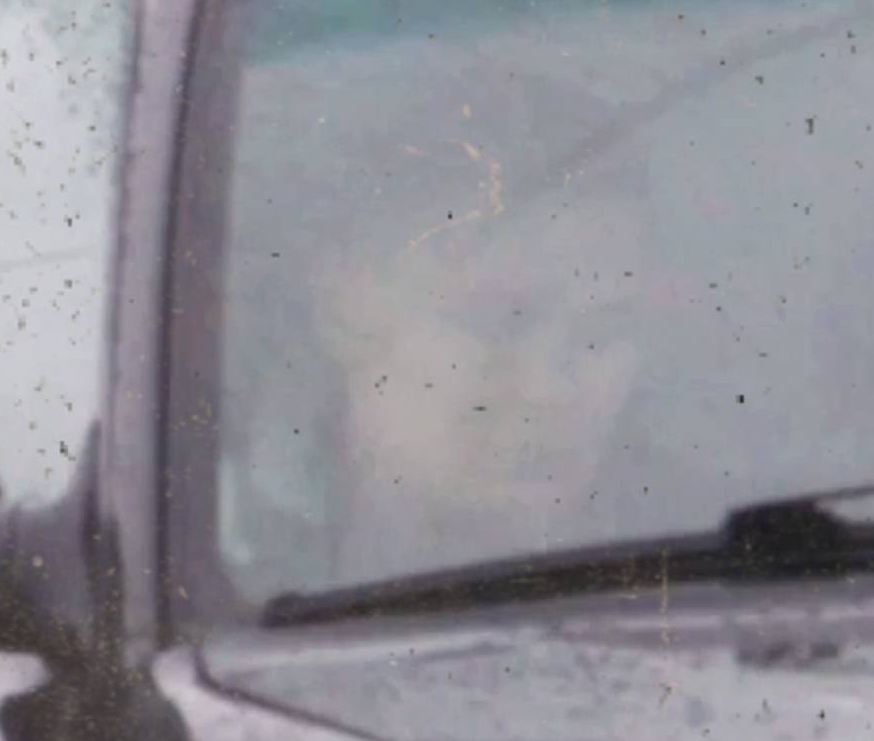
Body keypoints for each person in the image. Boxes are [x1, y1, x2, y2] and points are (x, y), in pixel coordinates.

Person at [248, 138, 661, 591]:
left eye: (601, 334)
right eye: (497, 321)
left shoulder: (696, 556)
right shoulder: (220, 568)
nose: (550, 389)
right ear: (345, 305)